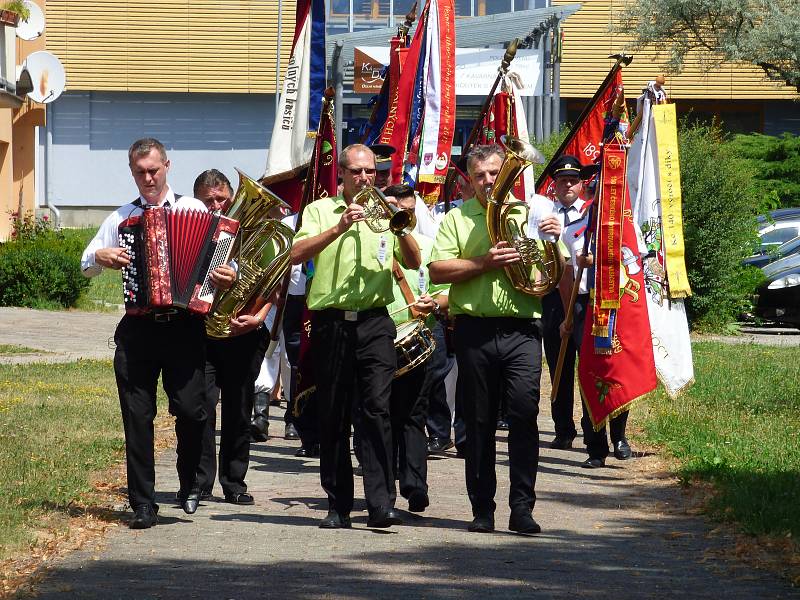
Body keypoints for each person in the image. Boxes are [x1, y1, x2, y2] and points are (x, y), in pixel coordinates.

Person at [80, 138, 234, 529]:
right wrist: (100, 256)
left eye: (154, 170)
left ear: (167, 165)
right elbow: (87, 262)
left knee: (193, 410)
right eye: (140, 172)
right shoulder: (121, 217)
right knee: (137, 416)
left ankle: (190, 485)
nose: (148, 178)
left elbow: (220, 265)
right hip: (139, 330)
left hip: (184, 327)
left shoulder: (193, 208)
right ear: (132, 173)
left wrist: (224, 277)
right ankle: (143, 504)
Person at [428, 143, 562, 534]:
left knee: (523, 414)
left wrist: (554, 240)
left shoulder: (529, 214)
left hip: (522, 329)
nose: (489, 181)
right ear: (470, 180)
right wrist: (484, 263)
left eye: (495, 174)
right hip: (475, 329)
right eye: (481, 175)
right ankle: (482, 509)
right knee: (479, 421)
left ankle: (522, 509)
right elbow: (437, 270)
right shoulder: (457, 218)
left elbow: (550, 273)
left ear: (508, 175)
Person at [291, 143, 421, 530]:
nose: (365, 179)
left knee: (377, 410)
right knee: (334, 411)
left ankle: (381, 503)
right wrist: (339, 227)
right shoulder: (319, 210)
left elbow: (414, 262)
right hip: (332, 322)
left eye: (371, 172)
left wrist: (400, 225)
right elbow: (296, 254)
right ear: (342, 175)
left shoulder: (387, 212)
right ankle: (338, 505)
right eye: (357, 172)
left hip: (375, 322)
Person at [193, 169, 271, 505]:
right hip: (200, 332)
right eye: (208, 200)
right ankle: (198, 482)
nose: (216, 205)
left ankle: (234, 482)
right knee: (201, 408)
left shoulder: (254, 231)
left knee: (239, 409)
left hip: (241, 330)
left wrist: (258, 317)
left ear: (232, 197)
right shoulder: (192, 228)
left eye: (221, 199)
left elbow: (273, 280)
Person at [556, 166, 633, 469]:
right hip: (584, 305)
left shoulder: (625, 226)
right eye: (602, 190)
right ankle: (596, 446)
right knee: (590, 374)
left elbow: (632, 261)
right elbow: (566, 272)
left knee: (614, 371)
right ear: (593, 192)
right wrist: (566, 315)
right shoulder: (576, 226)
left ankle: (620, 436)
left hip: (614, 307)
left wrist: (597, 261)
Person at [383, 183, 446, 512]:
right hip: (377, 341)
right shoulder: (370, 246)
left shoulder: (427, 245)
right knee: (382, 416)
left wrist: (432, 302)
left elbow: (446, 291)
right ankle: (385, 486)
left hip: (416, 342)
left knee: (413, 415)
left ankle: (414, 484)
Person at [541, 155, 587, 450]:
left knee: (589, 365)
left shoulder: (590, 213)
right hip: (552, 297)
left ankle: (592, 427)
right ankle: (563, 429)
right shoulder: (544, 214)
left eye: (573, 180)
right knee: (560, 362)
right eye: (562, 181)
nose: (567, 185)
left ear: (582, 184)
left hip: (584, 297)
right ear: (554, 185)